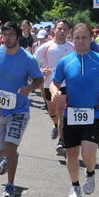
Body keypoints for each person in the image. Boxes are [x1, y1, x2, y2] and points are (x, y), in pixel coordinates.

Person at [50, 23, 99, 197]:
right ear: (72, 39)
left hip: (94, 114)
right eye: (77, 38)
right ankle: (75, 186)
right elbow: (54, 82)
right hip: (71, 114)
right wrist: (54, 90)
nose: (80, 41)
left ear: (90, 39)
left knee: (88, 154)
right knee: (71, 154)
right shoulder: (65, 61)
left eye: (84, 37)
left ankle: (90, 172)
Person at [0, 21, 43, 197]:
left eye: (11, 35)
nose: (7, 38)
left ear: (17, 36)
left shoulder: (28, 59)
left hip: (19, 110)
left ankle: (10, 185)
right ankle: (8, 158)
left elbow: (39, 79)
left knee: (10, 146)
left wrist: (29, 88)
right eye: (4, 35)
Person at [34, 20, 75, 156]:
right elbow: (32, 62)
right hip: (48, 84)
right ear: (54, 30)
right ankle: (56, 125)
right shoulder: (46, 46)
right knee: (53, 112)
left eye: (65, 29)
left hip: (65, 85)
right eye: (60, 29)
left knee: (62, 111)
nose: (62, 31)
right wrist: (40, 70)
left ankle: (61, 141)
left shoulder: (72, 47)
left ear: (68, 32)